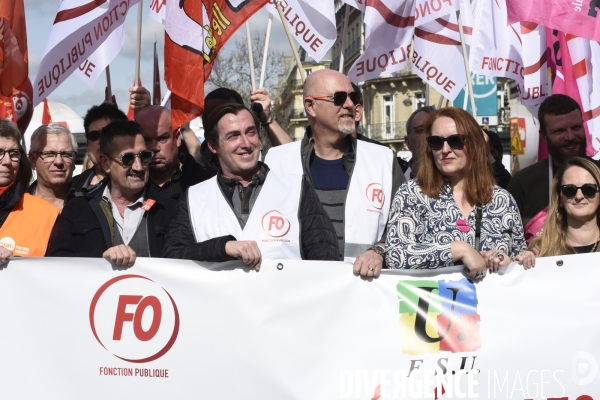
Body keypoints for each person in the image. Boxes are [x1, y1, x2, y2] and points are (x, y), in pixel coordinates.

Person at [264, 69, 405, 277]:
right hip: (295, 293)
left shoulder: (382, 159)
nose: (349, 105)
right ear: (310, 106)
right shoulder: (276, 162)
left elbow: (405, 224)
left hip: (363, 292)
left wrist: (381, 250)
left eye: (353, 97)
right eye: (339, 98)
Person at [163, 103, 339, 269]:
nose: (246, 144)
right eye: (233, 136)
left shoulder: (297, 189)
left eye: (251, 132)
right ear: (213, 146)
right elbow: (172, 257)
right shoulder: (194, 197)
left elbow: (326, 260)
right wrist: (221, 247)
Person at [386, 107, 535, 276]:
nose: (445, 149)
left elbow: (518, 254)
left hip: (492, 301)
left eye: (455, 140)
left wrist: (516, 258)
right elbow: (395, 255)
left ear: (474, 144)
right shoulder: (411, 194)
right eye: (436, 142)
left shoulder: (502, 200)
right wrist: (459, 250)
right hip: (436, 300)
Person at [47, 120, 177, 266]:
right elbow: (56, 262)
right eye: (127, 159)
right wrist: (100, 257)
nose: (138, 167)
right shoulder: (77, 210)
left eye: (144, 156)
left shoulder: (172, 211)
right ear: (105, 163)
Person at [507, 94, 589, 240]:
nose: (570, 136)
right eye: (560, 131)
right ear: (543, 136)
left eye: (576, 127)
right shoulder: (523, 183)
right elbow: (509, 240)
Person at [0, 120, 59, 261]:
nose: (7, 161)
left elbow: (61, 271)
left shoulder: (47, 214)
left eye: (14, 153)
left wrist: (16, 263)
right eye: (0, 152)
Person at [135, 105, 212, 200]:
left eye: (162, 138)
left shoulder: (205, 184)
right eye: (146, 140)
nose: (155, 147)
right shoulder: (127, 188)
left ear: (177, 138)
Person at [530, 157, 600, 257]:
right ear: (559, 198)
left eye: (589, 189)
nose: (579, 196)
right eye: (569, 190)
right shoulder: (539, 250)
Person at [70, 103, 128, 197]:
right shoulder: (71, 188)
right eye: (94, 135)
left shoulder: (139, 182)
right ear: (87, 146)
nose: (101, 141)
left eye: (108, 134)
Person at [27, 123, 77, 209]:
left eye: (65, 154)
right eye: (49, 154)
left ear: (74, 160)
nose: (58, 162)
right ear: (33, 160)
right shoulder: (15, 207)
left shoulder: (90, 208)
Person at [403, 106, 437, 180]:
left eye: (434, 129)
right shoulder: (394, 185)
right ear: (408, 141)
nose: (429, 135)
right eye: (421, 130)